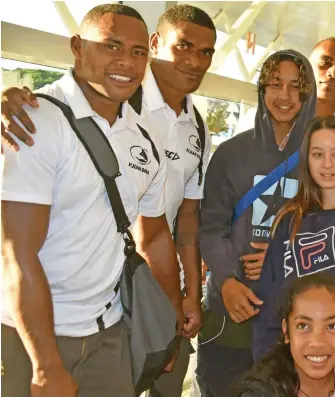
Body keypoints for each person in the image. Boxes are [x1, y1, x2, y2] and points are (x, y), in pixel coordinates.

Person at [0, 5, 218, 395]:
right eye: (111, 46)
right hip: (31, 333)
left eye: (137, 52)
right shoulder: (37, 122)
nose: (126, 62)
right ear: (78, 47)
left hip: (109, 329)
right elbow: (16, 253)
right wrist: (46, 364)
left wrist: (167, 326)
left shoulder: (140, 136)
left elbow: (154, 238)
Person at [197, 49, 317, 397]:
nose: (285, 96)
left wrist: (283, 255)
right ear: (262, 89)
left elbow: (332, 226)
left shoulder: (321, 154)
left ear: (308, 95)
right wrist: (229, 279)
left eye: (296, 87)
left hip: (292, 315)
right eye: (275, 84)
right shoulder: (231, 153)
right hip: (230, 308)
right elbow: (211, 225)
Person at [252, 115, 335, 363]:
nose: (327, 164)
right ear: (306, 160)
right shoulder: (288, 218)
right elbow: (270, 299)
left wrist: (323, 347)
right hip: (285, 357)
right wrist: (266, 361)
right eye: (317, 155)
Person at [235, 273, 335, 397]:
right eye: (303, 326)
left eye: (332, 326)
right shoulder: (260, 393)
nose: (317, 342)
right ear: (286, 331)